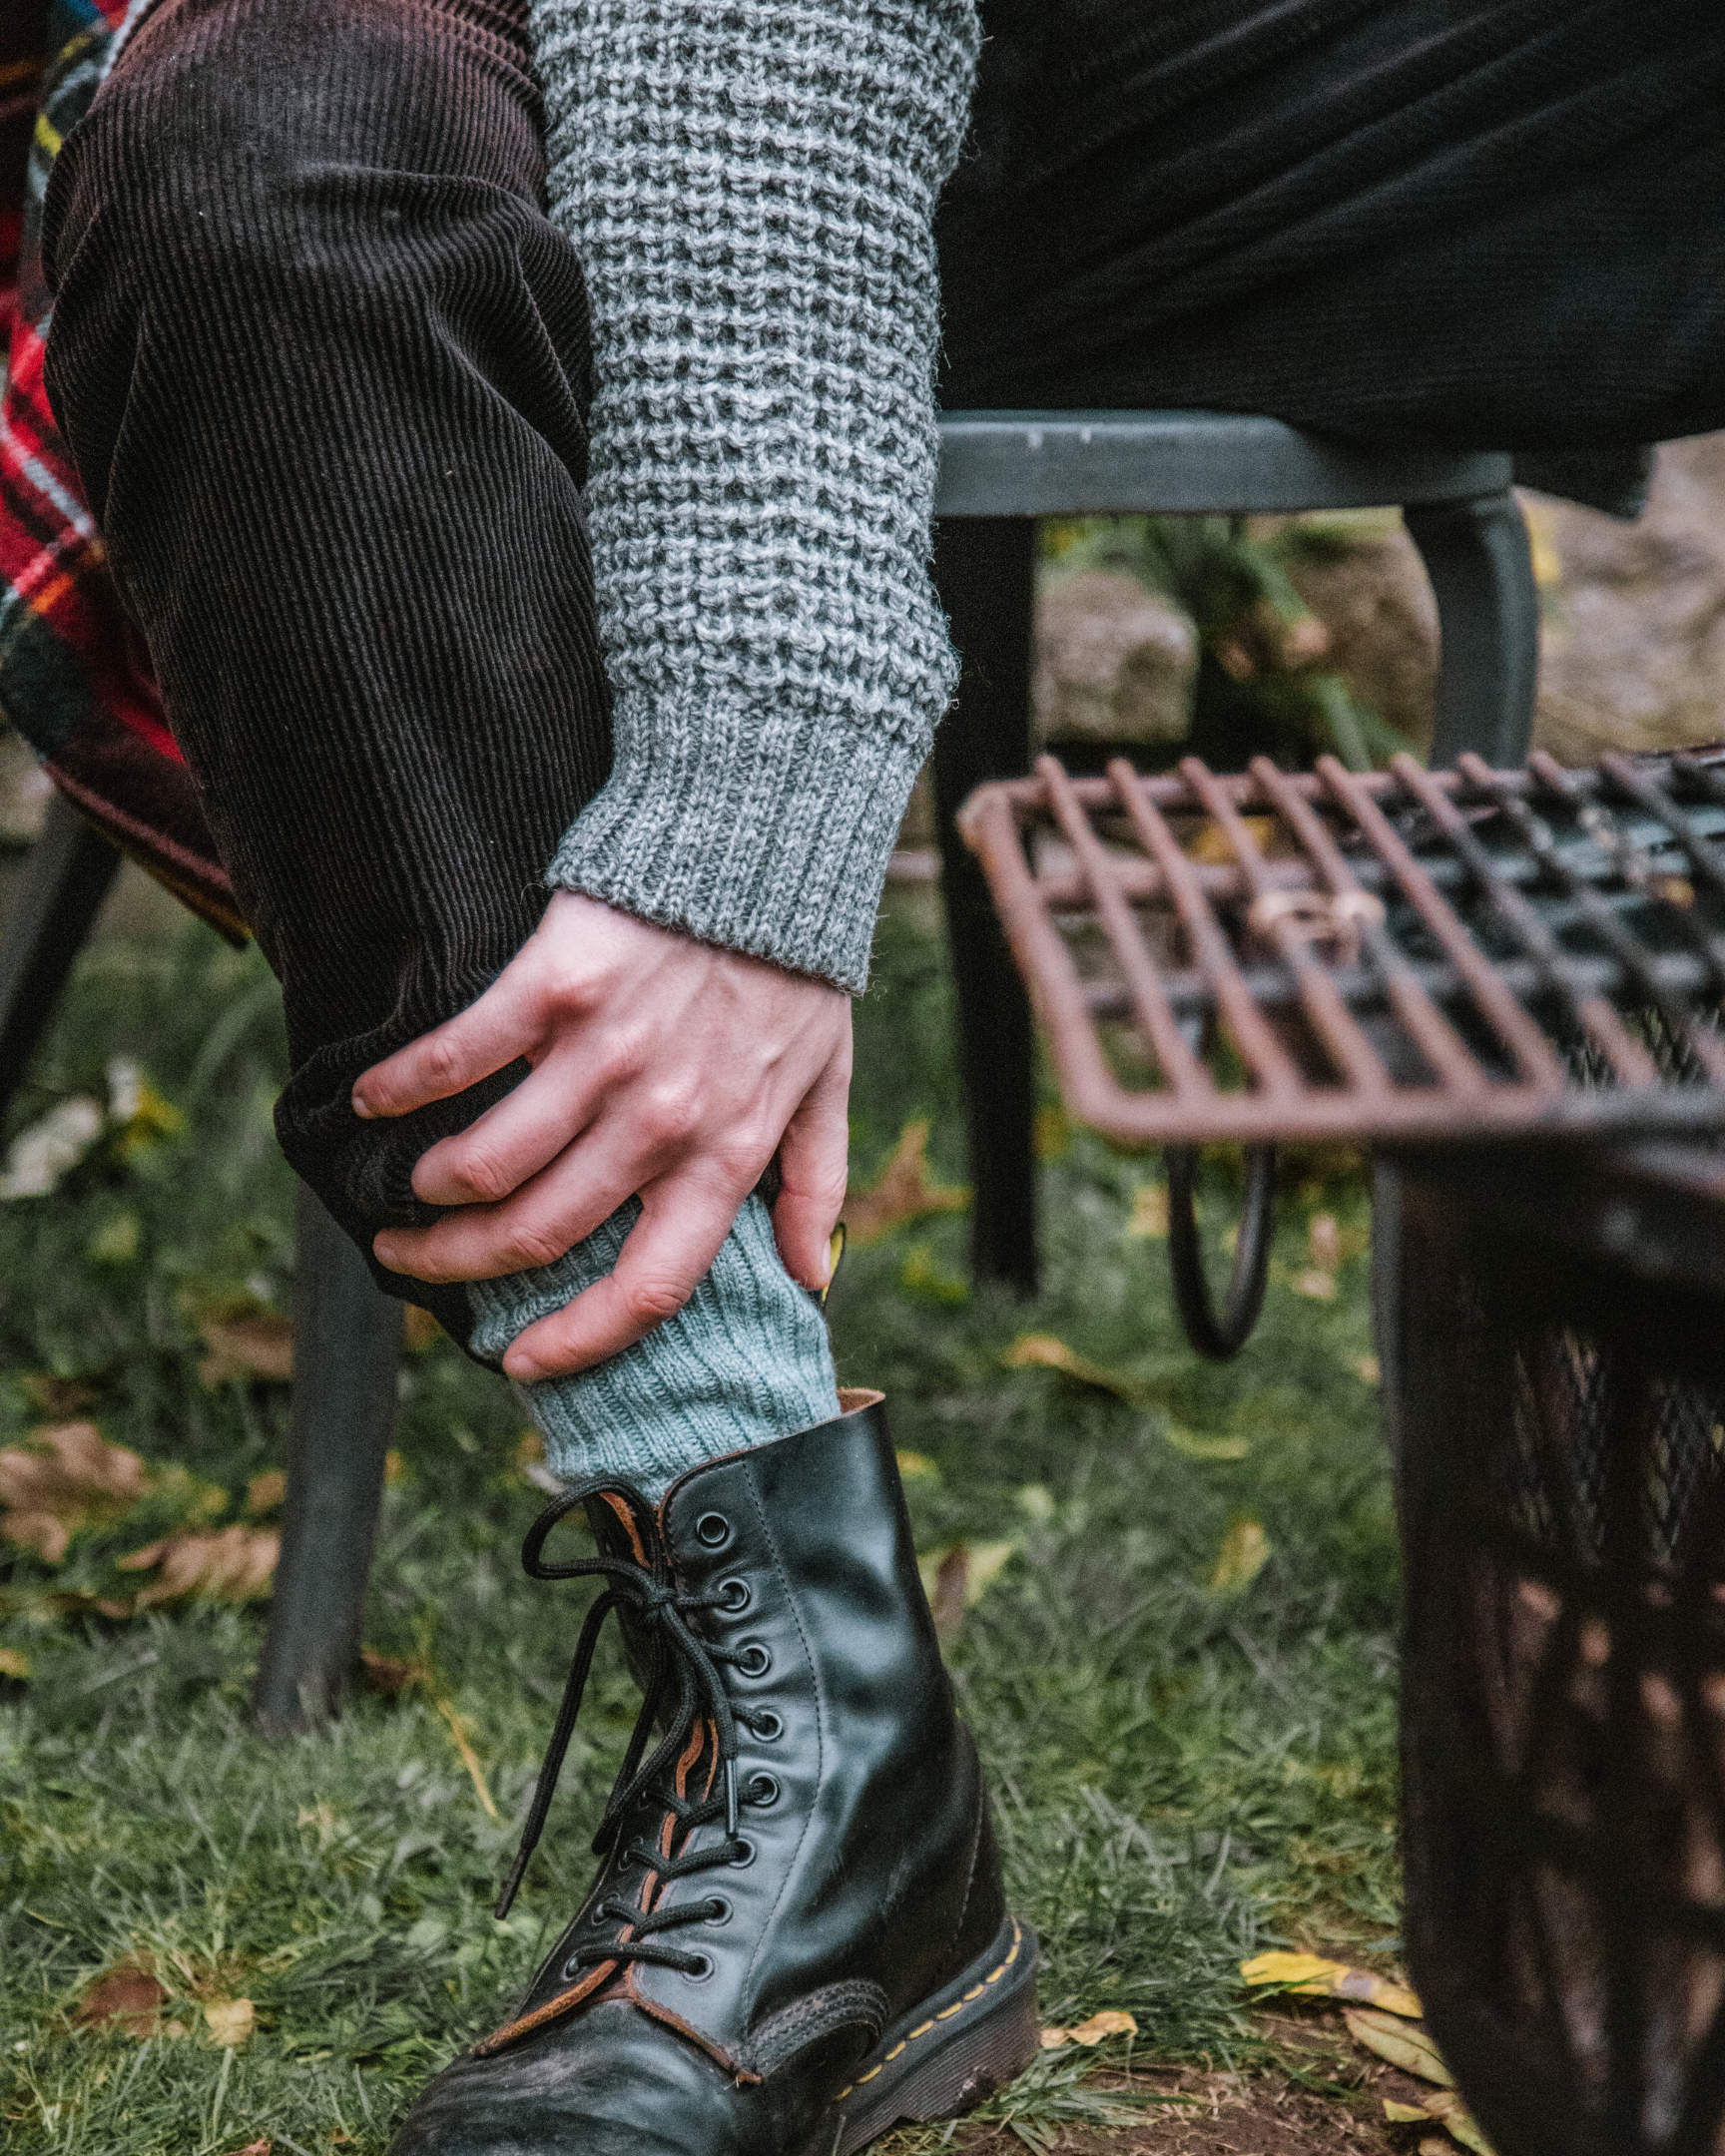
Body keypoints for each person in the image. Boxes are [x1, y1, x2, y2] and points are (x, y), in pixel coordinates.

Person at [13, 1, 1725, 2151]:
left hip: (1373, 91)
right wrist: (756, 790)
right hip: (599, 69)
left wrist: (754, 795)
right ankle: (816, 1731)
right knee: (261, 148)